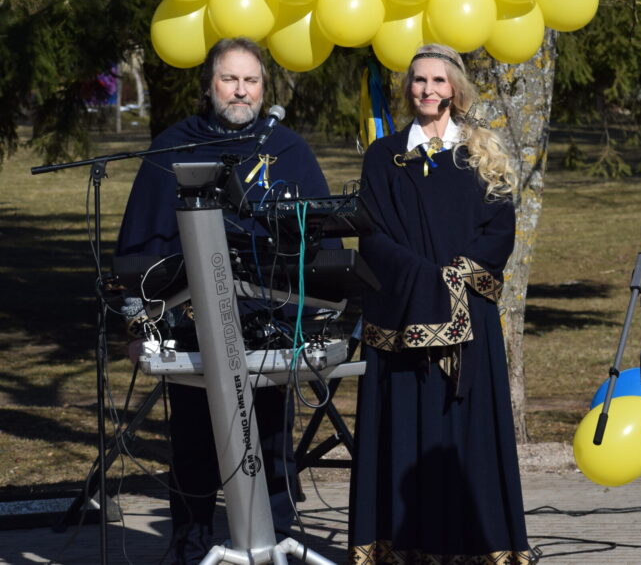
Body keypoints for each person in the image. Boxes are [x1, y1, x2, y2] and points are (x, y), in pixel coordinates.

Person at [116, 37, 331, 564]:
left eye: (250, 80)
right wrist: (138, 323)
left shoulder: (288, 151)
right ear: (209, 84)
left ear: (264, 88)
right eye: (229, 79)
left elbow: (320, 246)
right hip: (192, 326)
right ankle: (191, 546)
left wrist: (312, 318)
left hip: (268, 326)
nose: (240, 90)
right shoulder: (172, 147)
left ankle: (274, 542)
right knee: (192, 445)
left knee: (271, 443)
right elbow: (142, 245)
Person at [348, 44, 533, 564]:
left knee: (466, 435)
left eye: (438, 80)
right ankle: (402, 549)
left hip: (468, 318)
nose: (427, 90)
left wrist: (455, 279)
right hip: (401, 318)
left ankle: (473, 548)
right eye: (419, 80)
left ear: (455, 88)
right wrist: (427, 281)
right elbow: (373, 236)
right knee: (403, 431)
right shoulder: (383, 156)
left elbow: (499, 230)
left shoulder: (481, 153)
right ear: (407, 87)